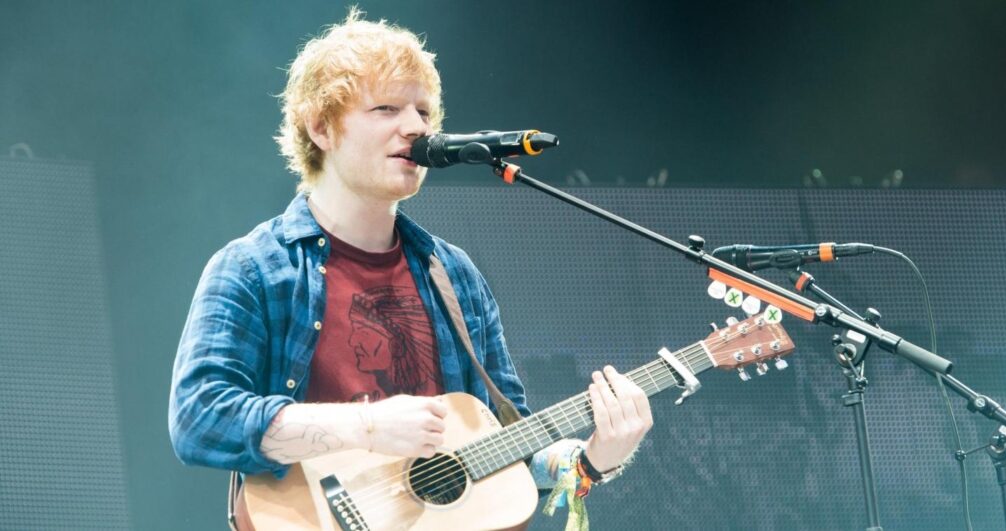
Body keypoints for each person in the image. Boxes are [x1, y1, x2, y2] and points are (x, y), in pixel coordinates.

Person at [168, 8, 652, 528]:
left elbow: (508, 444)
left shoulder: (454, 274)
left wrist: (593, 460)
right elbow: (199, 417)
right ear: (321, 127)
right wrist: (367, 425)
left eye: (423, 111)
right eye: (386, 108)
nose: (417, 127)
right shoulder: (254, 268)